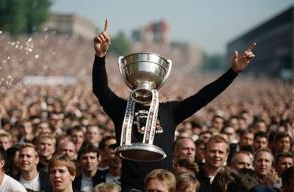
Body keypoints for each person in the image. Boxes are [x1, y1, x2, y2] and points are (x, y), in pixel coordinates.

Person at [92, 19, 256, 191]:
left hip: (164, 187)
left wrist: (232, 73)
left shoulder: (169, 111)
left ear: (158, 83)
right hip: (132, 187)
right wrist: (100, 56)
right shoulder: (122, 110)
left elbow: (203, 97)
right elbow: (100, 90)